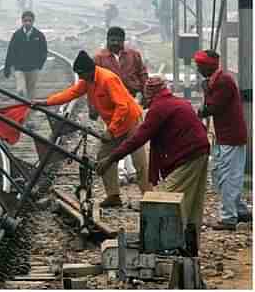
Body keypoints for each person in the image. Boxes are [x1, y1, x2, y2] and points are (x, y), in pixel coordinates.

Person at [96, 76, 210, 240]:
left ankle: (162, 243)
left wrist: (110, 159)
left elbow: (138, 139)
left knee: (165, 200)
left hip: (189, 155)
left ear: (149, 95)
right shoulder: (176, 102)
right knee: (192, 204)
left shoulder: (159, 108)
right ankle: (189, 244)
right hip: (199, 151)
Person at [35, 50, 149, 207]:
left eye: (81, 75)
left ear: (89, 71)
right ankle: (113, 195)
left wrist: (110, 130)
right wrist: (47, 102)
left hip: (130, 122)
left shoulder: (107, 79)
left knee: (139, 161)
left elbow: (122, 106)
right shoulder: (87, 80)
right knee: (104, 158)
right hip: (115, 125)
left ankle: (149, 197)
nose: (80, 79)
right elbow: (71, 93)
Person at [194, 50, 251, 230]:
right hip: (224, 135)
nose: (197, 68)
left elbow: (212, 107)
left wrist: (196, 111)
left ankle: (228, 218)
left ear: (207, 66)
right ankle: (240, 210)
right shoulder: (216, 80)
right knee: (220, 174)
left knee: (228, 177)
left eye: (199, 65)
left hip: (231, 137)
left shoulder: (223, 81)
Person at [94, 26, 150, 190]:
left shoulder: (133, 55)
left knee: (133, 140)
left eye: (118, 40)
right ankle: (119, 175)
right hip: (110, 107)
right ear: (107, 40)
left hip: (132, 102)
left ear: (123, 41)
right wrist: (94, 106)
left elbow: (142, 74)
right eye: (112, 40)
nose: (115, 43)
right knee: (113, 140)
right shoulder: (99, 58)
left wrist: (145, 94)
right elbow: (92, 83)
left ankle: (134, 176)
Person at [4, 11, 48, 101]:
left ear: (33, 21)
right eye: (25, 20)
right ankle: (21, 106)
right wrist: (7, 67)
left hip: (33, 68)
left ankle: (28, 110)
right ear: (22, 21)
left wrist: (40, 65)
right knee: (21, 90)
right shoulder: (17, 35)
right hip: (19, 68)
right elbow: (11, 51)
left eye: (30, 20)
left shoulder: (39, 35)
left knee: (31, 91)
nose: (27, 22)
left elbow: (44, 51)